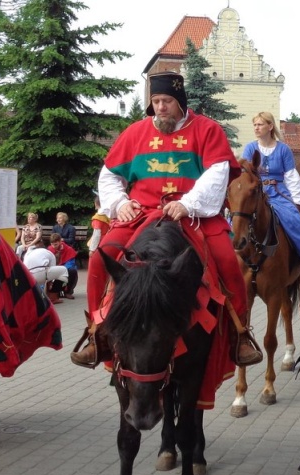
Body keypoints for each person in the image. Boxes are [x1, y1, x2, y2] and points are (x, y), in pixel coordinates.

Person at [70, 71, 262, 368]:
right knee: (100, 258)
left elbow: (217, 173)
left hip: (193, 215)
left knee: (228, 261)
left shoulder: (207, 130)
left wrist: (188, 203)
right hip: (141, 213)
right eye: (156, 101)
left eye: (167, 101)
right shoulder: (135, 133)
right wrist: (120, 203)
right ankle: (98, 333)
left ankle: (240, 334)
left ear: (180, 102)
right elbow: (109, 175)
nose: (161, 107)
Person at [241, 112, 300, 286]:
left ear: (270, 126)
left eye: (260, 124)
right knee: (237, 219)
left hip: (279, 192)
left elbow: (291, 177)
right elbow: (246, 175)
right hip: (257, 193)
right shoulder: (250, 148)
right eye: (255, 125)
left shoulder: (283, 149)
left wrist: (299, 203)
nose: (256, 128)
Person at [23, 238, 68, 304]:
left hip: (27, 277)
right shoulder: (49, 253)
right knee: (64, 270)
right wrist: (49, 287)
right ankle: (53, 297)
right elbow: (52, 276)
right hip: (40, 275)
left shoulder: (27, 254)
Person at [48, 233, 79, 299]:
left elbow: (71, 264)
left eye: (56, 244)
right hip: (53, 268)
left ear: (60, 242)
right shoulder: (49, 249)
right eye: (52, 244)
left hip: (64, 268)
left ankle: (68, 291)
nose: (54, 246)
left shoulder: (68, 249)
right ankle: (52, 292)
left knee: (72, 271)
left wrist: (61, 269)